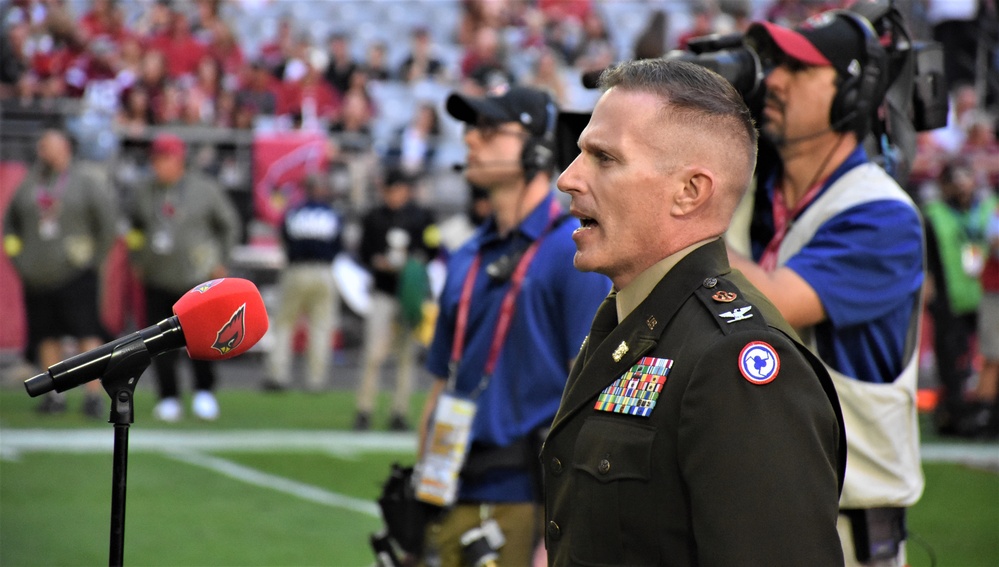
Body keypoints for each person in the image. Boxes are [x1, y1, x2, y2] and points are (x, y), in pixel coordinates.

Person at [544, 58, 845, 566]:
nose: (567, 179)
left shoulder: (732, 360)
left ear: (690, 192)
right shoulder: (633, 318)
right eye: (579, 155)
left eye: (604, 158)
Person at [726, 12, 926, 566]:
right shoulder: (753, 194)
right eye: (775, 65)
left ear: (855, 92)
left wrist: (672, 213)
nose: (775, 80)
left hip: (843, 537)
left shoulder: (884, 215)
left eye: (799, 67)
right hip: (759, 521)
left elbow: (772, 305)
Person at [415, 86, 610, 566]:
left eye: (488, 130)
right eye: (469, 129)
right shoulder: (466, 255)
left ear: (536, 148)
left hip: (526, 496)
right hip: (452, 486)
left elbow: (589, 396)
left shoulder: (572, 250)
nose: (469, 141)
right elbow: (443, 382)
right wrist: (422, 489)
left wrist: (564, 526)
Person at [125, 133, 240, 422]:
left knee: (203, 339)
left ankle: (204, 391)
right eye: (155, 159)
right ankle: (168, 397)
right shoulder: (143, 191)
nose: (158, 166)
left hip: (196, 280)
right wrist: (137, 258)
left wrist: (221, 261)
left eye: (165, 159)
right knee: (159, 342)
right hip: (157, 277)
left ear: (179, 161)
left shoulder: (204, 189)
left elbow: (228, 225)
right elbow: (133, 229)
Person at [2, 128, 117, 418]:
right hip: (37, 274)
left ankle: (92, 394)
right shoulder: (30, 182)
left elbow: (106, 223)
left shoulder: (85, 182)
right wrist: (20, 257)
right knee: (46, 335)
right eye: (41, 147)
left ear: (64, 148)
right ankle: (55, 395)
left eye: (47, 147)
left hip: (75, 272)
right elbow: (11, 224)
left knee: (86, 333)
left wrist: (93, 258)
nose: (42, 153)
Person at [354, 169, 438, 432]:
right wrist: (377, 262)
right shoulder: (373, 217)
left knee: (405, 356)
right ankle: (364, 410)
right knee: (373, 354)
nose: (395, 195)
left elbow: (433, 248)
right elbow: (363, 251)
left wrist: (415, 264)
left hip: (408, 295)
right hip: (383, 292)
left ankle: (399, 411)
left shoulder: (422, 216)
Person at [923, 157, 998, 436]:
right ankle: (955, 415)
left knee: (991, 356)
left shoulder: (988, 208)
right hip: (948, 296)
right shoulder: (934, 214)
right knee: (952, 359)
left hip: (985, 292)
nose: (963, 185)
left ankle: (986, 414)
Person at [263, 174, 344, 393]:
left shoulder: (294, 212)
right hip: (323, 271)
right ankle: (316, 380)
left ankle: (277, 376)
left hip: (296, 270)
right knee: (321, 327)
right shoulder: (331, 214)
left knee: (284, 324)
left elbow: (284, 240)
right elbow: (339, 245)